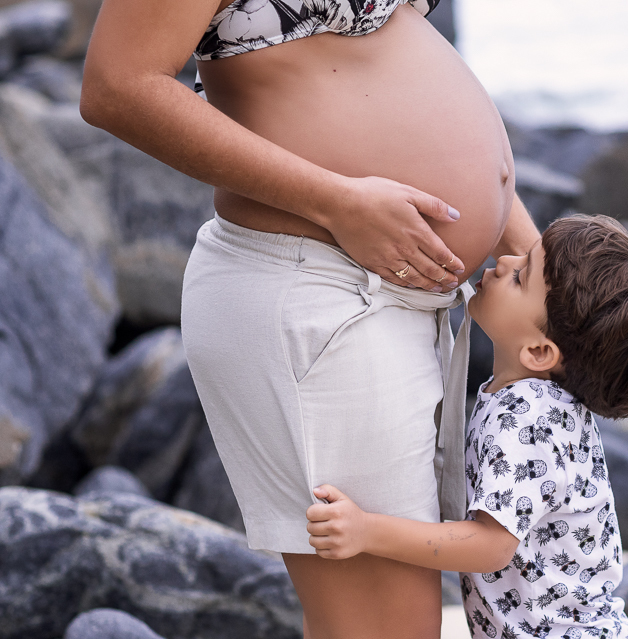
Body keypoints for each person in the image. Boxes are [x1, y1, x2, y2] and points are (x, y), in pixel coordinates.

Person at [79, 0, 540, 636]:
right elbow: (117, 85)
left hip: (388, 295)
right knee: (382, 627)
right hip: (322, 294)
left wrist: (525, 249)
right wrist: (335, 202)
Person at [303, 215, 628, 639]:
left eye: (520, 276)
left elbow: (491, 546)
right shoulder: (553, 405)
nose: (503, 261)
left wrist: (367, 530)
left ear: (537, 350)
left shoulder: (525, 415)